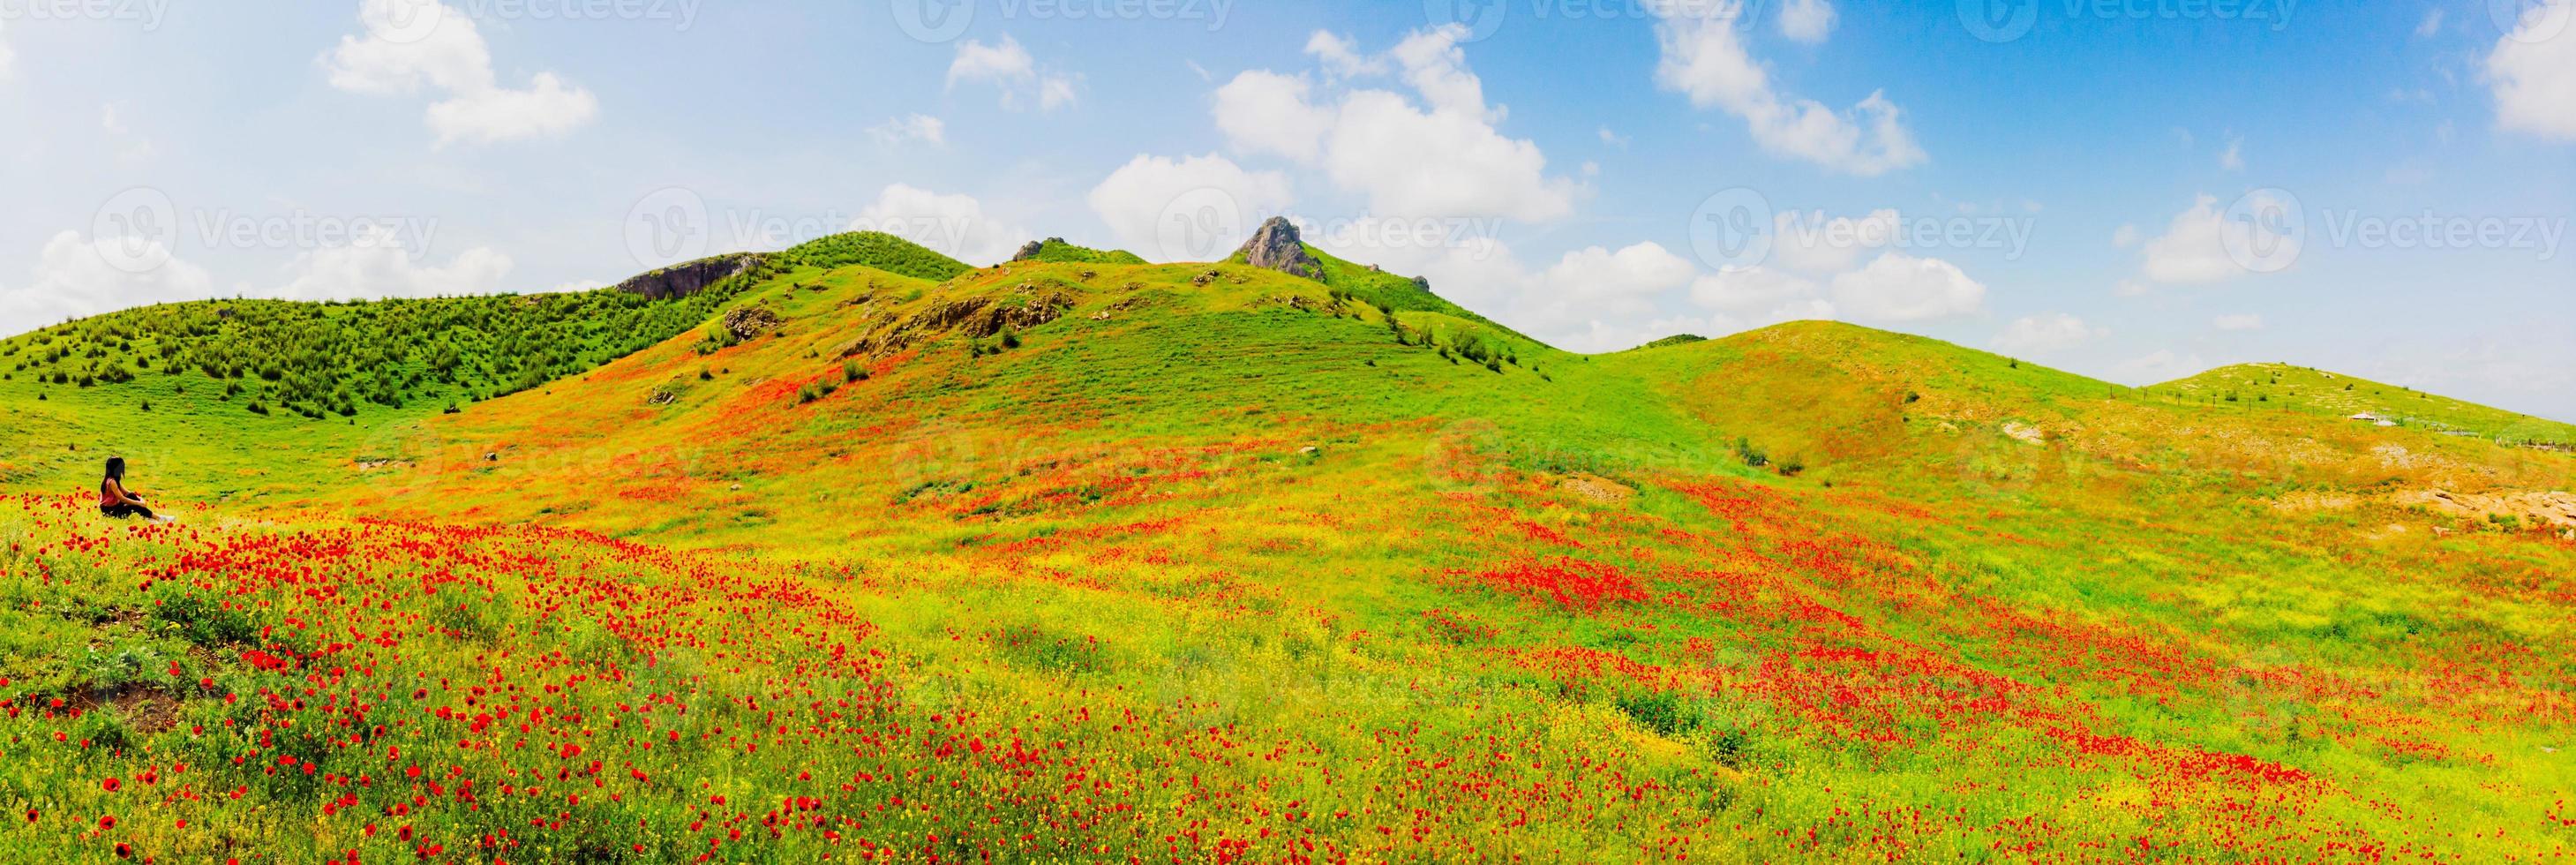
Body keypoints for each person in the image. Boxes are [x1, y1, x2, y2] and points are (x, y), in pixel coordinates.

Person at [100, 457, 171, 523]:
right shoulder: (112, 482)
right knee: (133, 505)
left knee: (131, 495)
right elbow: (122, 499)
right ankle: (158, 518)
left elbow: (128, 493)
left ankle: (151, 517)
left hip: (113, 509)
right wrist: (138, 503)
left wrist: (141, 499)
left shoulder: (112, 480)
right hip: (110, 513)